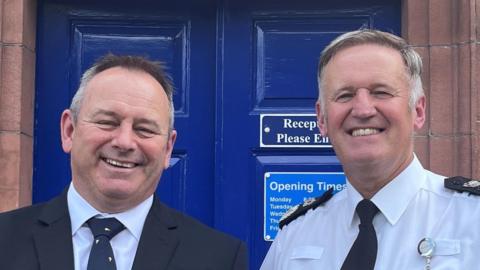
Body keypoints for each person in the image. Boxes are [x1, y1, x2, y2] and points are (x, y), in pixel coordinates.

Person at [0, 54, 247, 270]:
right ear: (69, 130)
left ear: (168, 148)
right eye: (108, 122)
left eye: (145, 129)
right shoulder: (5, 240)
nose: (125, 142)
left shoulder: (220, 259)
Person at [260, 29, 480, 269]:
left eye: (381, 92)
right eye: (344, 95)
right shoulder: (295, 235)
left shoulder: (471, 219)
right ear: (322, 119)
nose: (363, 110)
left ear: (418, 111)